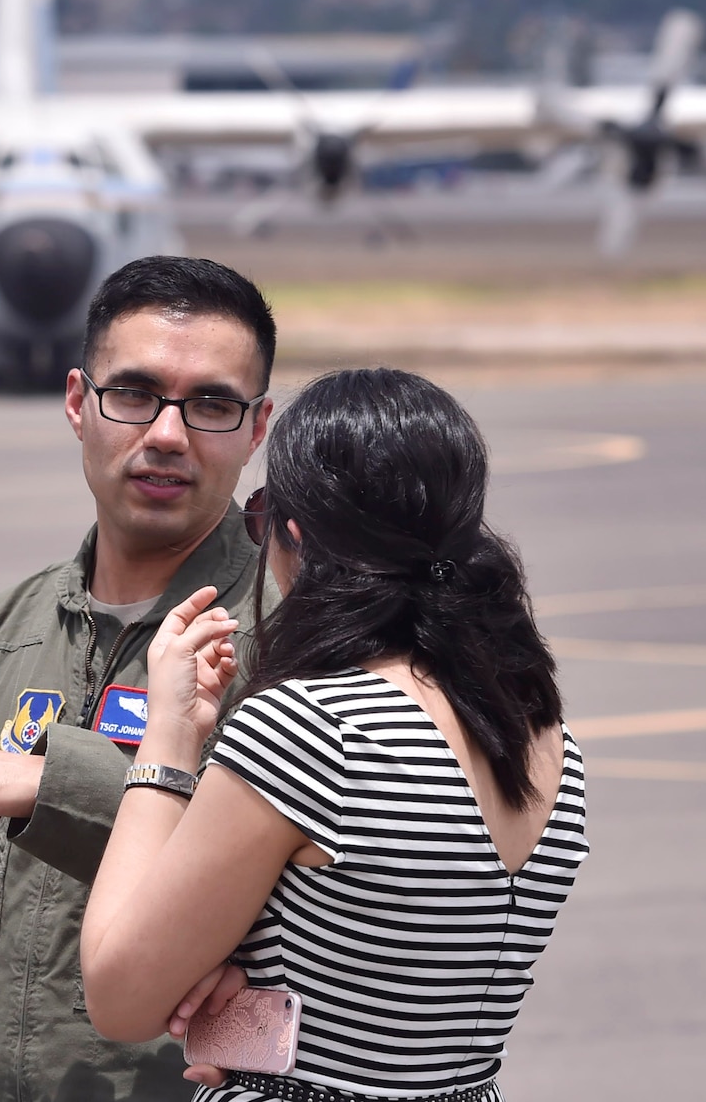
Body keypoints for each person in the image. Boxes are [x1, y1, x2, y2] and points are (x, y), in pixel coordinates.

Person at [0, 256, 280, 1102]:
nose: (167, 434)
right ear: (79, 402)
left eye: (212, 404)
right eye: (135, 393)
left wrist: (56, 783)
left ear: (257, 428)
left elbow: (288, 879)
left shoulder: (300, 654)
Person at [81, 367, 589, 1102]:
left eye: (261, 516)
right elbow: (386, 990)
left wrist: (169, 735)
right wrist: (245, 1012)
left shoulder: (314, 730)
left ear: (295, 532)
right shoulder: (551, 743)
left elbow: (117, 993)